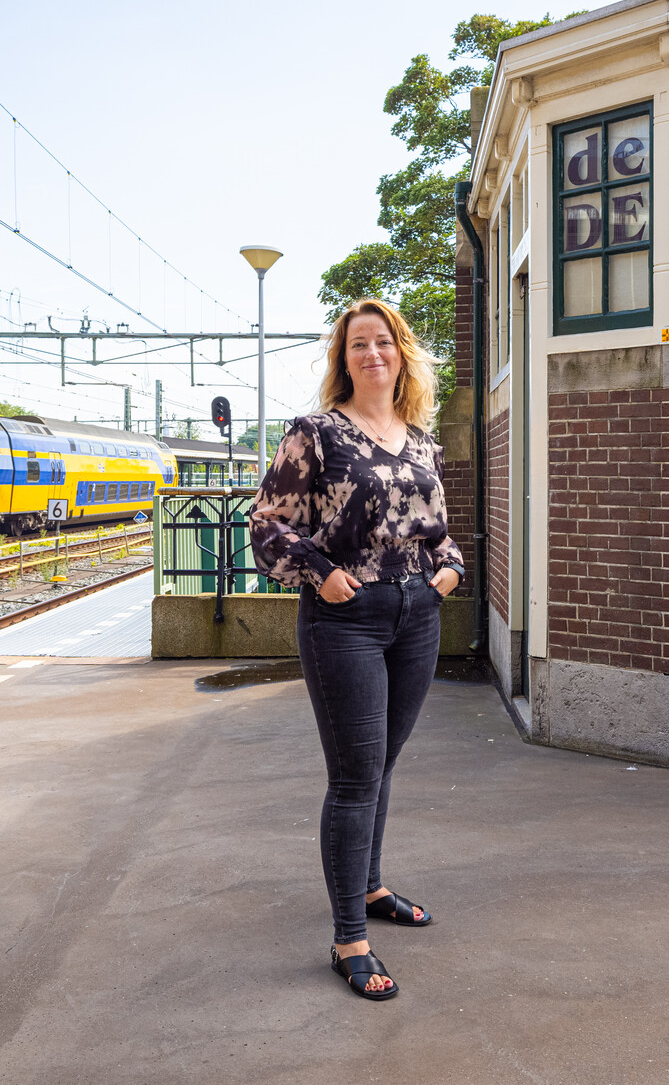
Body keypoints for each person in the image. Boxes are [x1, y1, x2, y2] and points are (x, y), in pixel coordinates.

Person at [249, 297, 465, 1001]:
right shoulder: (315, 433)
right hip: (346, 619)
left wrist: (450, 573)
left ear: (402, 353)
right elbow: (266, 525)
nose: (373, 354)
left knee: (383, 763)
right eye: (358, 345)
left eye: (384, 342)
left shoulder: (424, 441)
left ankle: (370, 888)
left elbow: (441, 534)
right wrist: (322, 573)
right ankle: (349, 939)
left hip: (417, 614)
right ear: (343, 359)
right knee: (354, 777)